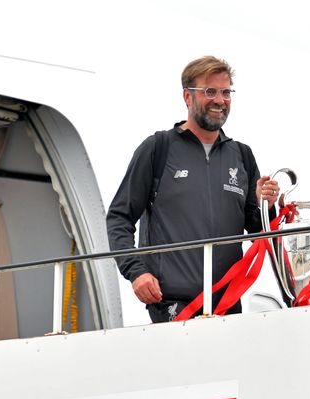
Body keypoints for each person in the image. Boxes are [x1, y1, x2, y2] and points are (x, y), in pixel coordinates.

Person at [106, 56, 279, 323]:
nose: (220, 100)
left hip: (227, 304)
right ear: (188, 97)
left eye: (226, 92)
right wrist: (136, 272)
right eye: (209, 91)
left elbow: (258, 231)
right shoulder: (157, 148)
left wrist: (265, 205)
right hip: (172, 304)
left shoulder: (242, 155)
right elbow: (119, 217)